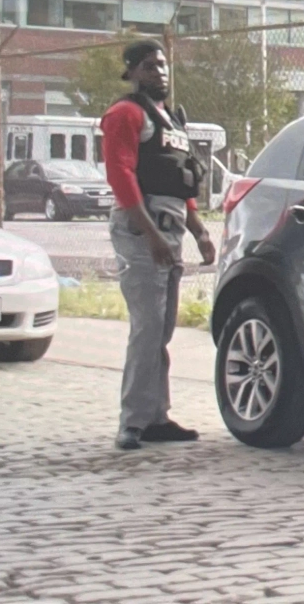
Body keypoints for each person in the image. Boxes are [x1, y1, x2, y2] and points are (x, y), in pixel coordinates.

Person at [102, 40, 216, 452]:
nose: (159, 72)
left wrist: (199, 229)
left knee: (162, 330)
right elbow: (121, 175)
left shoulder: (171, 121)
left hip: (170, 229)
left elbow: (178, 180)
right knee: (147, 328)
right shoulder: (125, 114)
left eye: (163, 65)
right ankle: (132, 421)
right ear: (131, 72)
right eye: (149, 66)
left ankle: (156, 417)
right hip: (141, 230)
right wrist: (150, 235)